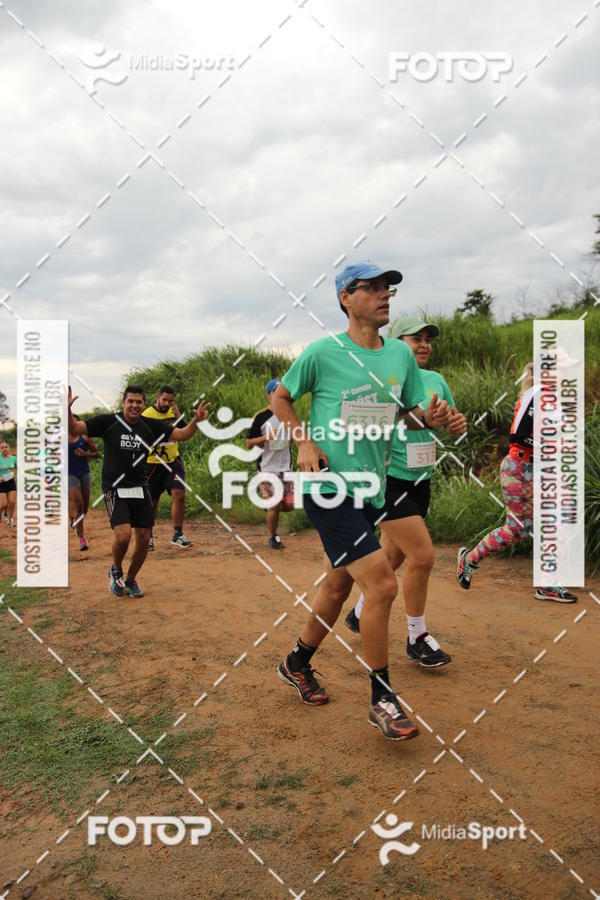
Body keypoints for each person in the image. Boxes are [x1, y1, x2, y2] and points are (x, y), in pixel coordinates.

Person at [273, 260, 452, 741]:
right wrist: (304, 442)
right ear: (345, 299)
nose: (384, 294)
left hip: (374, 488)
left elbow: (406, 415)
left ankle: (296, 662)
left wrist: (430, 419)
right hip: (329, 487)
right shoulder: (322, 353)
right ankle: (382, 698)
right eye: (371, 287)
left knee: (337, 587)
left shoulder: (399, 357)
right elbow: (281, 398)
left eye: (387, 287)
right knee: (382, 585)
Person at [345, 316, 467, 666]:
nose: (425, 344)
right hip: (388, 480)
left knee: (395, 557)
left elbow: (450, 420)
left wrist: (455, 423)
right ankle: (417, 636)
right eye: (416, 338)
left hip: (420, 480)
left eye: (428, 339)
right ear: (398, 344)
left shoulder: (435, 380)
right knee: (423, 556)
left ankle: (358, 613)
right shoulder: (384, 377)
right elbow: (357, 420)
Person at [68, 385, 209, 598]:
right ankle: (116, 570)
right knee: (123, 535)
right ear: (123, 403)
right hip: (115, 488)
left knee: (143, 538)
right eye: (130, 401)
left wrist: (196, 421)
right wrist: (67, 410)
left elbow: (182, 434)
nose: (134, 405)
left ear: (144, 404)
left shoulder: (149, 426)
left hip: (140, 487)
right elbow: (75, 428)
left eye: (139, 402)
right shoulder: (108, 422)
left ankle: (131, 580)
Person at [456, 362, 577, 603]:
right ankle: (469, 559)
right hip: (519, 468)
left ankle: (547, 583)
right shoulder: (536, 394)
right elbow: (519, 437)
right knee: (518, 529)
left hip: (544, 469)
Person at [143, 386, 192, 551]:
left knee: (179, 494)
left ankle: (178, 534)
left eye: (170, 401)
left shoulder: (173, 412)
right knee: (152, 501)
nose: (167, 403)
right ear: (158, 397)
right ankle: (148, 535)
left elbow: (185, 432)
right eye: (164, 400)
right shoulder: (147, 414)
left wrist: (178, 417)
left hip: (173, 462)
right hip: (153, 463)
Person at [246, 378, 293, 550]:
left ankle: (270, 508)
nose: (280, 394)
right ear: (268, 395)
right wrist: (266, 437)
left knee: (289, 506)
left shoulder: (289, 413)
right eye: (276, 391)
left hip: (286, 466)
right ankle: (273, 536)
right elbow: (249, 443)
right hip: (267, 467)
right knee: (274, 505)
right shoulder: (261, 417)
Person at [68, 416, 99, 551]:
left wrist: (85, 453)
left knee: (84, 509)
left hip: (84, 473)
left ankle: (75, 520)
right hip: (69, 474)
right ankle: (82, 539)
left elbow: (97, 453)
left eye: (74, 421)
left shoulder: (85, 437)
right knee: (78, 503)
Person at [0, 441, 17, 527]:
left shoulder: (13, 458)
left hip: (11, 482)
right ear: (0, 449)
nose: (4, 449)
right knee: (4, 504)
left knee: (12, 502)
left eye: (6, 447)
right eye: (2, 447)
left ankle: (10, 520)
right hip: (1, 483)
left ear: (8, 448)